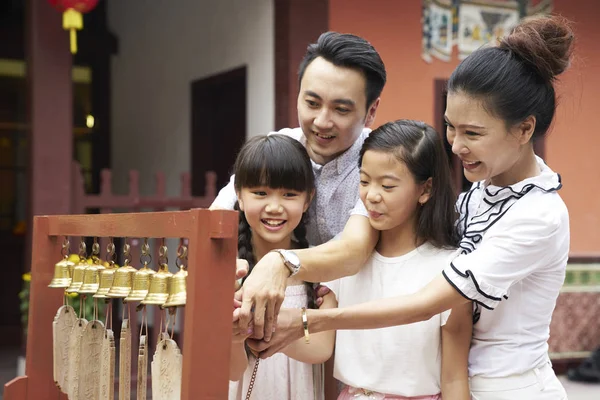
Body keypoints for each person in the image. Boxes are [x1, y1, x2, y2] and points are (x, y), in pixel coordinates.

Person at [245, 15, 573, 400]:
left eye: (473, 133)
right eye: (450, 126)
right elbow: (358, 243)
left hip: (510, 389)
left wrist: (307, 320)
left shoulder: (539, 216)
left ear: (524, 129)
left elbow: (424, 305)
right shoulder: (472, 199)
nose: (455, 145)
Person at [306, 120, 472, 399]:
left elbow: (454, 378)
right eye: (364, 181)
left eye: (387, 185)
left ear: (425, 189)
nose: (371, 195)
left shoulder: (450, 269)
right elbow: (321, 350)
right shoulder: (344, 263)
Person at [228, 135, 337, 400]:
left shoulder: (321, 268)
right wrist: (234, 336)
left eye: (289, 194)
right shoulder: (230, 273)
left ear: (307, 199)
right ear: (240, 196)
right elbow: (232, 371)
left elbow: (321, 349)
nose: (275, 207)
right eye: (260, 193)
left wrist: (258, 327)